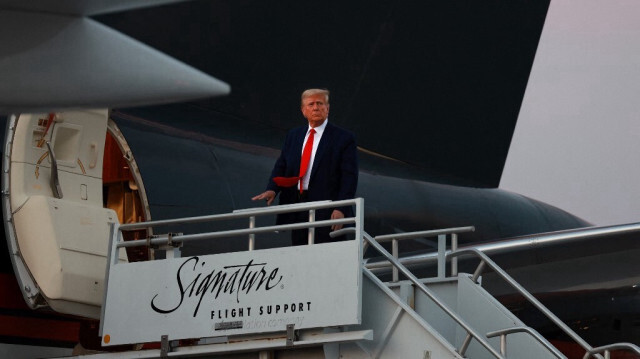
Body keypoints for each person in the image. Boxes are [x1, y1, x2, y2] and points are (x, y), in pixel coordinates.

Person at [252, 88, 358, 245]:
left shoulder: (343, 138)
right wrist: (273, 188)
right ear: (303, 111)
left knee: (328, 257)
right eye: (311, 104)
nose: (315, 108)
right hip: (299, 205)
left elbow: (349, 177)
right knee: (300, 252)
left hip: (328, 208)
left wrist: (341, 208)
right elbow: (282, 165)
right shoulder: (294, 135)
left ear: (327, 108)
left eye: (320, 103)